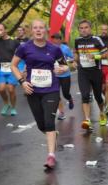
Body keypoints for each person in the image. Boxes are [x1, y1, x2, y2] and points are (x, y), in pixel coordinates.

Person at [11, 20, 68, 170]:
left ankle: (51, 156)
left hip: (51, 89)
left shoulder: (54, 49)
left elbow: (65, 65)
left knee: (49, 122)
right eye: (35, 28)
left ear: (46, 31)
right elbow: (13, 65)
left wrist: (62, 69)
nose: (38, 30)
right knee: (41, 125)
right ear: (31, 31)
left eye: (41, 28)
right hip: (32, 90)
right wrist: (22, 82)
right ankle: (52, 136)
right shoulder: (24, 47)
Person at [74, 20, 106, 130]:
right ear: (79, 30)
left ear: (90, 28)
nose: (84, 30)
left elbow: (106, 53)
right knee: (85, 95)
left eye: (86, 27)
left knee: (98, 97)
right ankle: (87, 120)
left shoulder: (97, 39)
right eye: (81, 28)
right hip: (83, 72)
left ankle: (102, 112)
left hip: (96, 71)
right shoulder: (77, 40)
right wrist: (75, 60)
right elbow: (76, 52)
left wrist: (95, 56)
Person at [0, 23, 20, 116]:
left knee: (11, 89)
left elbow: (22, 53)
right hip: (0, 68)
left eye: (1, 29)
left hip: (12, 68)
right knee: (1, 89)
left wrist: (21, 67)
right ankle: (6, 104)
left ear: (6, 30)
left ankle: (13, 107)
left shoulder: (14, 41)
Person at [50, 33, 74, 120]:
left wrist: (66, 62)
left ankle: (70, 99)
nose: (55, 40)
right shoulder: (50, 48)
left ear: (60, 40)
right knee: (56, 94)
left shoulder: (65, 48)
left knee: (65, 93)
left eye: (57, 39)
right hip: (55, 75)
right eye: (54, 39)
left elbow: (72, 58)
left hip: (65, 75)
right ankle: (61, 112)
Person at [98, 23, 108, 118]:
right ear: (100, 30)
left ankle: (107, 106)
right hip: (99, 66)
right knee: (101, 88)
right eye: (102, 29)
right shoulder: (97, 39)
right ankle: (106, 103)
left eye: (105, 29)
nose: (104, 31)